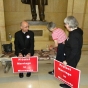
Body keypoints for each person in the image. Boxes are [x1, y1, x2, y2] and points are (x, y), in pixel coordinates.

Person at [59, 16, 83, 88]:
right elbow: (72, 43)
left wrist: (67, 60)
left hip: (72, 57)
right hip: (72, 55)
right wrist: (66, 42)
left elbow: (75, 50)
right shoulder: (77, 30)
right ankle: (67, 83)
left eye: (65, 24)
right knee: (69, 70)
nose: (65, 25)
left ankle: (69, 85)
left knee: (70, 71)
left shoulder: (74, 35)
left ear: (69, 24)